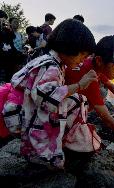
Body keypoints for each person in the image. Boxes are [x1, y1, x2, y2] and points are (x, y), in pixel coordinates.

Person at [7, 19, 97, 169]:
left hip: (22, 109)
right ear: (69, 46)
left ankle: (63, 142)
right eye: (82, 55)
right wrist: (80, 85)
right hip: (22, 115)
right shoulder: (51, 66)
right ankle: (44, 154)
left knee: (77, 100)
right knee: (75, 101)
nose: (83, 60)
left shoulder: (51, 60)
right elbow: (45, 100)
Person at [64, 36, 114, 162]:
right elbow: (107, 118)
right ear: (99, 60)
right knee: (90, 144)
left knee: (103, 90)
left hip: (64, 105)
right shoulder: (89, 75)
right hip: (58, 115)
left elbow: (109, 84)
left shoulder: (94, 66)